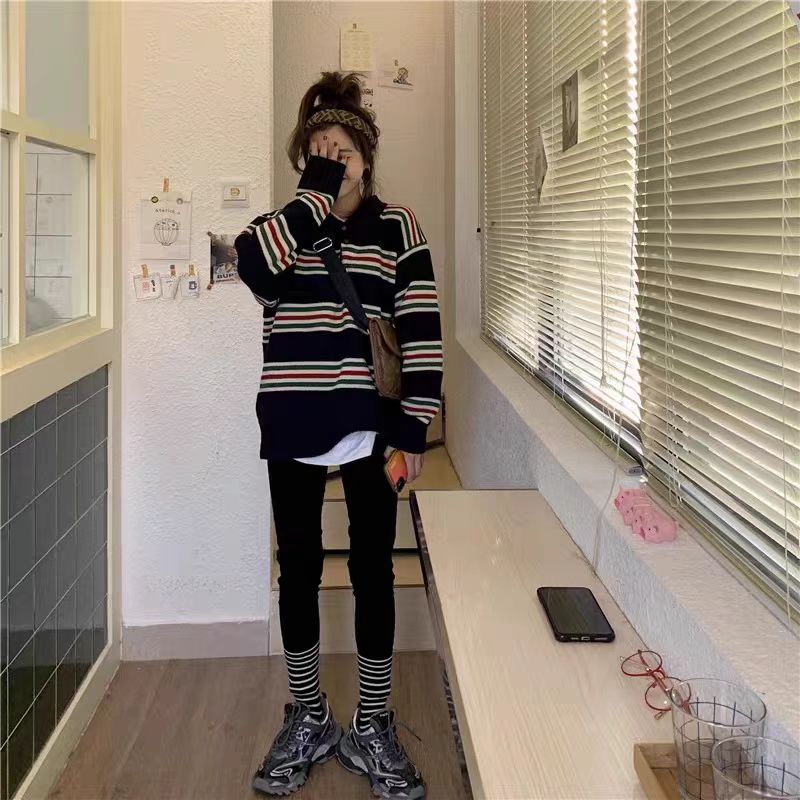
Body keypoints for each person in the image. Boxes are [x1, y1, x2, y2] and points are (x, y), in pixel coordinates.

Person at [235, 71, 443, 800]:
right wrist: (311, 199)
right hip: (293, 419)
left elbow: (420, 330)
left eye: (342, 150)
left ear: (367, 158)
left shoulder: (398, 227)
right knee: (296, 569)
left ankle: (373, 721)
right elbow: (253, 269)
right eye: (317, 150)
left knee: (372, 569)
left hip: (369, 427)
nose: (330, 159)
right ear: (303, 160)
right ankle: (310, 715)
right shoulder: (280, 228)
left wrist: (414, 429)